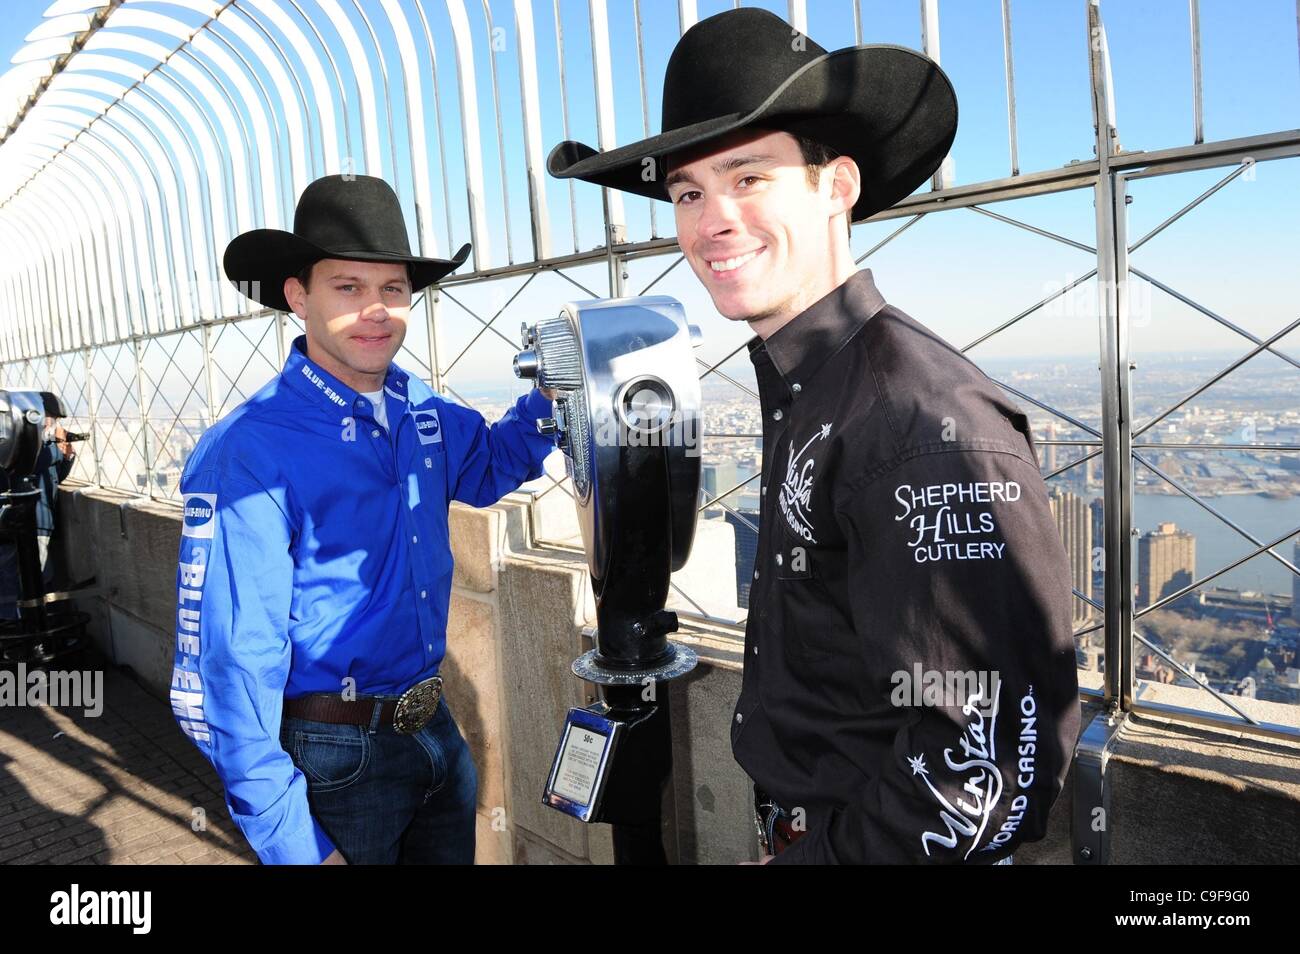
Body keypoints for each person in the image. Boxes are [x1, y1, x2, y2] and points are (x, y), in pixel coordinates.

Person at [549, 8, 1081, 864]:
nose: (711, 220)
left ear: (837, 187)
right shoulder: (813, 390)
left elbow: (982, 777)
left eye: (749, 177)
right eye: (688, 192)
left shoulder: (916, 423)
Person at [170, 174, 557, 864]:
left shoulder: (424, 413)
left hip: (435, 732)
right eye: (347, 288)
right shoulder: (252, 448)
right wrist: (297, 846)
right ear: (298, 297)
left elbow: (492, 464)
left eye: (393, 289)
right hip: (334, 760)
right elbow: (229, 665)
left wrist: (558, 388)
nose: (376, 310)